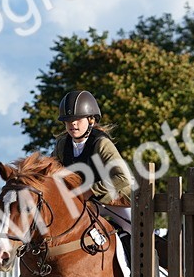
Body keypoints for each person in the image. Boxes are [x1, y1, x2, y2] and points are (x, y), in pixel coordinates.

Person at [52, 90, 133, 254]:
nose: (72, 124)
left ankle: (138, 270)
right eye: (68, 120)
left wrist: (90, 190)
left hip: (116, 199)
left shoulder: (101, 143)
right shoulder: (62, 144)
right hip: (86, 202)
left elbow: (122, 177)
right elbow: (53, 174)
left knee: (137, 231)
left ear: (91, 120)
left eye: (77, 119)